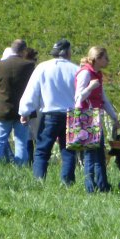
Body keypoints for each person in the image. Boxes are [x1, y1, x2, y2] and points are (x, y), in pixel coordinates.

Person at [18, 38, 79, 184]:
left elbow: (32, 90)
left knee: (42, 150)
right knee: (69, 151)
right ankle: (67, 182)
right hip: (71, 115)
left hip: (49, 114)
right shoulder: (76, 70)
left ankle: (39, 181)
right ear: (66, 52)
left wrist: (25, 111)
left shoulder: (43, 67)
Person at [74, 46, 119, 193]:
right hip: (86, 117)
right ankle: (90, 188)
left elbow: (103, 98)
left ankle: (103, 185)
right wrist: (90, 87)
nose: (108, 61)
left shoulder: (97, 74)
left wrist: (114, 116)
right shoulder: (86, 73)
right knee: (90, 155)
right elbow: (78, 97)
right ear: (98, 59)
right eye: (105, 57)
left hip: (95, 117)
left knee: (100, 154)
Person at [0, 39, 35, 166]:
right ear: (23, 50)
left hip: (3, 107)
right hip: (24, 109)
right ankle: (20, 169)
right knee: (21, 141)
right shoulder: (29, 65)